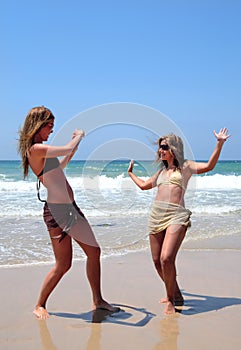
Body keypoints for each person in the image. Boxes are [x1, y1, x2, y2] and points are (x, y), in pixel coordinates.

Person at [18, 106, 119, 319]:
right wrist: (78, 136)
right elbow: (64, 150)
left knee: (94, 252)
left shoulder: (43, 149)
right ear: (38, 125)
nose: (51, 131)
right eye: (49, 126)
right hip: (57, 213)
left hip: (71, 209)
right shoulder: (35, 149)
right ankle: (39, 305)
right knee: (63, 265)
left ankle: (98, 300)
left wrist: (76, 142)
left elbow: (62, 161)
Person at [128, 128, 230, 315]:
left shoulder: (186, 167)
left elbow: (209, 166)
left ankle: (171, 299)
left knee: (167, 258)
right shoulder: (161, 173)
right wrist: (130, 174)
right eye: (160, 148)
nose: (161, 151)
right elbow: (144, 186)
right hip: (156, 216)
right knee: (157, 262)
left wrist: (219, 143)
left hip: (177, 215)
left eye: (164, 147)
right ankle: (175, 293)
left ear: (174, 148)